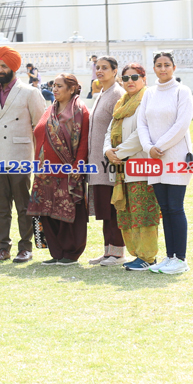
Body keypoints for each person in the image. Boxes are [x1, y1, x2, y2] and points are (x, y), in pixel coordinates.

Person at [0, 46, 47, 263]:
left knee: (23, 205)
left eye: (4, 66)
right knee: (1, 207)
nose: (0, 70)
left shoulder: (30, 92)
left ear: (13, 67)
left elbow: (40, 127)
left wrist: (39, 161)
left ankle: (26, 248)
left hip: (21, 157)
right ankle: (3, 248)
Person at [137, 51, 193, 275]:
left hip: (176, 157)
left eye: (167, 65)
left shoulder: (182, 91)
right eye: (159, 65)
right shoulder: (149, 93)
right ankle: (170, 257)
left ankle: (180, 259)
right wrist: (148, 147)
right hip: (153, 157)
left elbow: (182, 124)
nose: (163, 69)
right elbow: (142, 123)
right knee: (165, 209)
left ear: (174, 67)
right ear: (154, 69)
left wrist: (159, 145)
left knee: (175, 207)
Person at [26, 74, 91, 265]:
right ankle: (56, 253)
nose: (54, 89)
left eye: (59, 86)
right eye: (53, 85)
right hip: (45, 172)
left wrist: (77, 167)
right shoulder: (50, 109)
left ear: (72, 89)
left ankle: (70, 254)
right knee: (47, 213)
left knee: (68, 213)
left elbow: (84, 141)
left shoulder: (79, 111)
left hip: (67, 172)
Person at [103, 64, 163, 271]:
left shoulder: (148, 100)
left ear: (144, 79)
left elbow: (141, 134)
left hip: (142, 167)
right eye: (126, 78)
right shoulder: (121, 103)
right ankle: (136, 254)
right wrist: (107, 151)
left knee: (143, 213)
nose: (130, 81)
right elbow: (109, 130)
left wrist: (117, 153)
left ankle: (148, 257)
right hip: (122, 169)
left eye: (135, 77)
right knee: (127, 213)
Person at [85, 56, 126, 266]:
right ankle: (108, 251)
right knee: (104, 209)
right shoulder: (102, 93)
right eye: (97, 67)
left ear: (115, 71)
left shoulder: (118, 94)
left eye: (104, 68)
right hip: (96, 163)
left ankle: (117, 253)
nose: (100, 71)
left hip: (109, 161)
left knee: (113, 208)